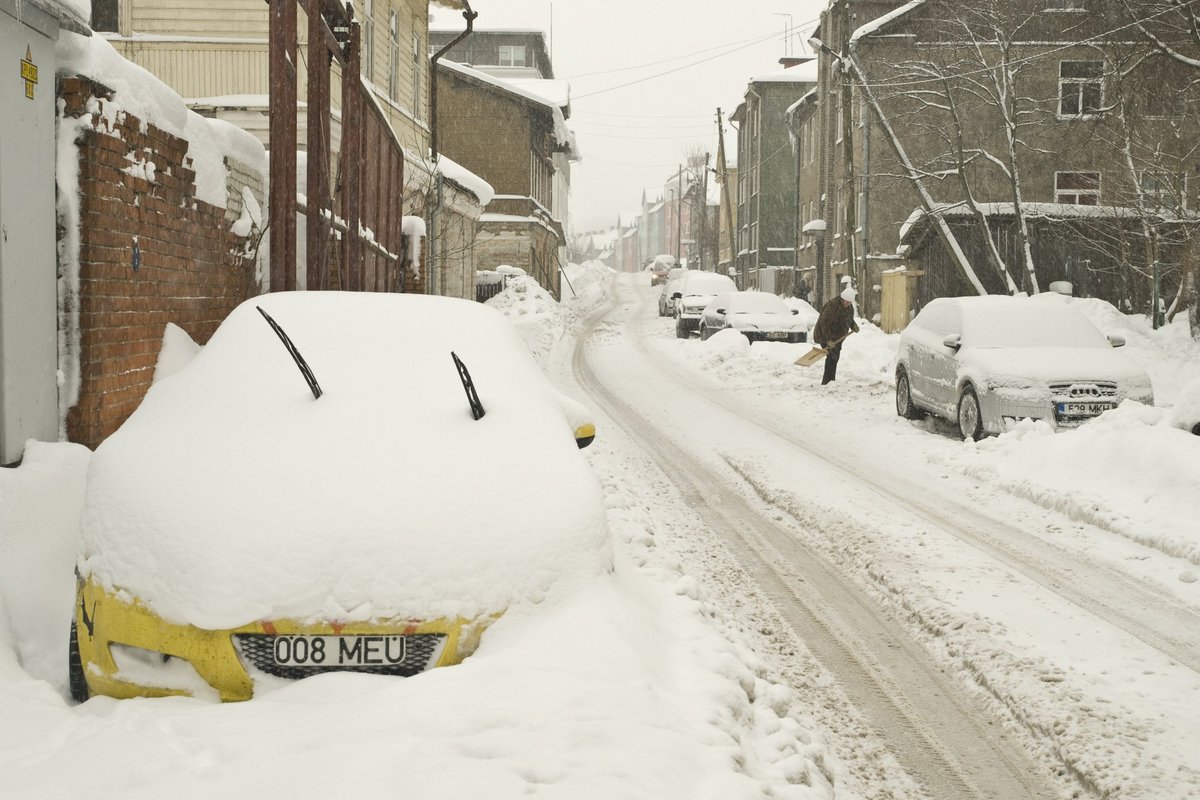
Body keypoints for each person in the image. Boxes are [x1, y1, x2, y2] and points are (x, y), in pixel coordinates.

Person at [812, 287, 860, 385]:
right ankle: (827, 382)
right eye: (846, 302)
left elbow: (849, 319)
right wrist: (828, 340)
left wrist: (854, 326)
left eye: (850, 302)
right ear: (842, 299)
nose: (847, 304)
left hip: (838, 338)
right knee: (831, 357)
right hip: (824, 334)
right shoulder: (832, 306)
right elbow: (824, 324)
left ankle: (830, 381)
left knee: (835, 357)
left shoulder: (849, 307)